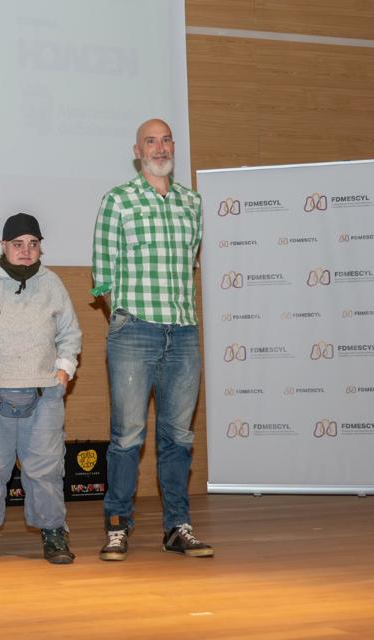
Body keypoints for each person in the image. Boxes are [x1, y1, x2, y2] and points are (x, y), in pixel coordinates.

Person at [91, 118, 214, 561]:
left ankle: (177, 527)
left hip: (183, 334)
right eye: (150, 142)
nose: (159, 148)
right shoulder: (118, 201)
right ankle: (117, 526)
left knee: (178, 437)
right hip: (134, 332)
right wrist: (126, 321)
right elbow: (102, 278)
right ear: (137, 151)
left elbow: (191, 267)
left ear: (173, 147)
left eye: (165, 141)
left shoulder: (192, 203)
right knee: (127, 438)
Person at [0, 213, 82, 564]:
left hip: (43, 392)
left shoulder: (52, 284)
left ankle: (53, 532)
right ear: (3, 246)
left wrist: (65, 369)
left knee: (46, 469)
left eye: (33, 244)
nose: (26, 251)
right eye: (18, 244)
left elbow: (70, 332)